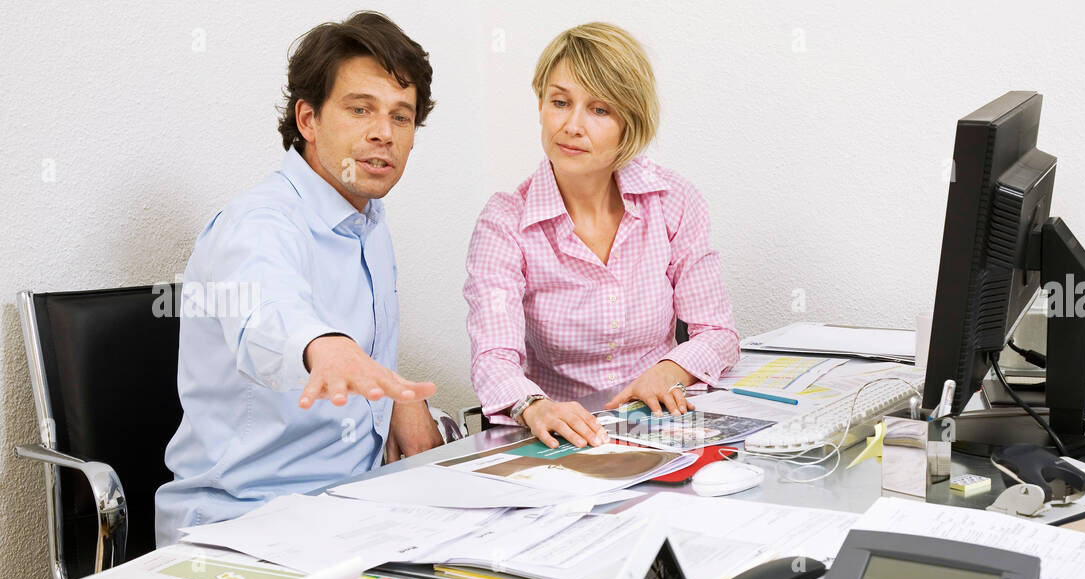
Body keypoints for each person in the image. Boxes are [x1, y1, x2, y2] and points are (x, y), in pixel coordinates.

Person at [156, 12, 442, 545]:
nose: (383, 132)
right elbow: (266, 310)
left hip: (352, 504)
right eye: (361, 110)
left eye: (400, 117)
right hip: (245, 523)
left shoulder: (367, 219)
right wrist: (321, 344)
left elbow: (362, 361)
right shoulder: (257, 222)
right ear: (308, 119)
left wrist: (402, 398)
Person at [464, 22, 739, 450]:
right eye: (560, 102)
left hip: (664, 426)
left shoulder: (673, 201)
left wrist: (670, 370)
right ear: (540, 106)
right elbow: (493, 358)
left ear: (630, 123)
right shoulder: (504, 221)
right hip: (563, 440)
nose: (572, 125)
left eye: (599, 109)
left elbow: (717, 333)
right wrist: (533, 405)